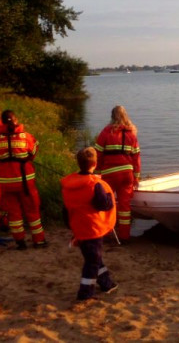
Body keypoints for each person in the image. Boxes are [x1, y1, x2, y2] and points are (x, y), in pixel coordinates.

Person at [61, 147, 118, 301]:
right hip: (93, 228)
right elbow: (103, 205)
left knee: (93, 256)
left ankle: (107, 283)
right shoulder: (95, 185)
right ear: (95, 163)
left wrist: (70, 225)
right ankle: (85, 293)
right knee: (92, 261)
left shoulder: (68, 185)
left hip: (78, 227)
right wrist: (110, 197)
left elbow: (66, 208)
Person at [0, 110, 47, 249]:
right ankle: (39, 241)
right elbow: (33, 151)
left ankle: (20, 242)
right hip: (24, 180)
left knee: (13, 213)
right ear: (16, 120)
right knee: (32, 209)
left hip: (5, 181)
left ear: (2, 122)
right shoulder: (25, 136)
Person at [94, 105, 141, 242]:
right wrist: (136, 177)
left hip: (109, 174)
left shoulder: (106, 132)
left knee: (107, 203)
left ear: (112, 116)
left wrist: (97, 174)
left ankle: (106, 233)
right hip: (127, 174)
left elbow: (98, 154)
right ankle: (125, 236)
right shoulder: (131, 133)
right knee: (125, 207)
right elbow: (136, 158)